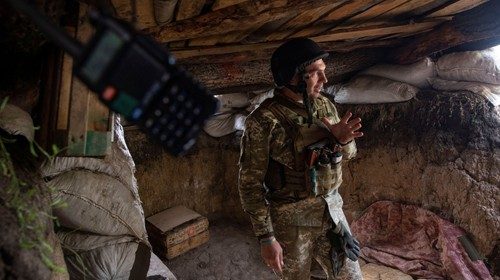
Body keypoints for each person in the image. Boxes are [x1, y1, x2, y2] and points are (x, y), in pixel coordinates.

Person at [238, 38, 364, 280]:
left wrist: (343, 141)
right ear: (293, 77)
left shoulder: (325, 106)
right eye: (316, 74)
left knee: (352, 276)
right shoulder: (264, 121)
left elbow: (349, 155)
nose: (324, 81)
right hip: (291, 222)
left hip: (332, 213)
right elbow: (250, 185)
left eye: (324, 73)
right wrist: (266, 238)